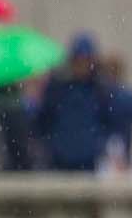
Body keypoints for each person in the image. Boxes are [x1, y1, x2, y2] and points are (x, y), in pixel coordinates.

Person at [33, 33, 110, 171]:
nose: (82, 66)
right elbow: (44, 120)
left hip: (89, 161)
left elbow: (107, 122)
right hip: (60, 161)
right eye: (78, 61)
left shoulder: (101, 89)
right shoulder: (57, 87)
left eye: (86, 61)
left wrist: (99, 146)